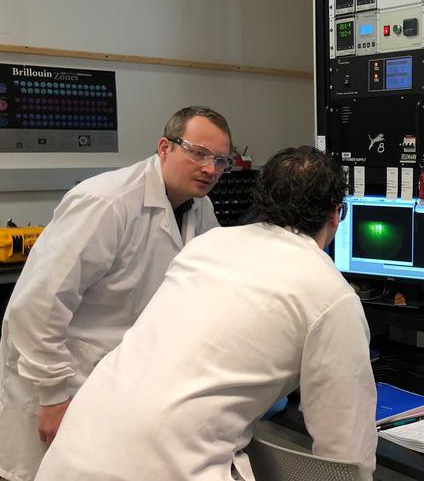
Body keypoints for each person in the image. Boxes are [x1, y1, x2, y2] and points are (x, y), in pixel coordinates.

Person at [35, 146, 377, 481]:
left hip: (74, 450)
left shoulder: (206, 246)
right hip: (166, 466)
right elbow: (346, 454)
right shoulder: (331, 294)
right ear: (335, 214)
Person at [0, 106, 233, 481]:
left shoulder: (197, 208)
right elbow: (37, 306)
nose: (210, 169)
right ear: (164, 147)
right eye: (198, 152)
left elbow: (209, 277)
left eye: (221, 160)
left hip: (114, 382)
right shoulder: (106, 202)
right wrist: (53, 397)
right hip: (64, 379)